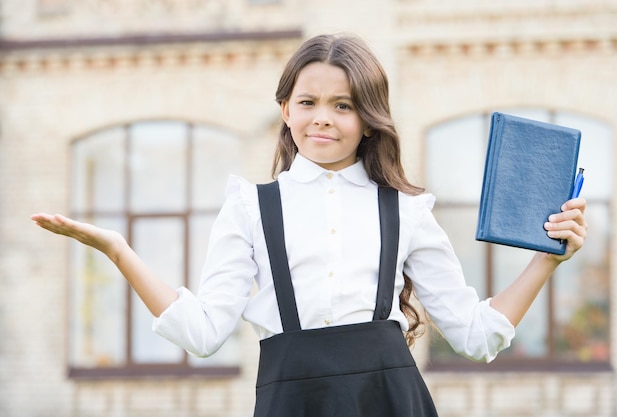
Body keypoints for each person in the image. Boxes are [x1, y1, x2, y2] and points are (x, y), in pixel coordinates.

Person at [31, 34, 588, 416]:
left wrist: (547, 258)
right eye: (309, 101)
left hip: (388, 398)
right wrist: (118, 249)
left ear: (368, 121)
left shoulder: (407, 210)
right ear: (285, 110)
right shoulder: (249, 206)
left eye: (344, 105)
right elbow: (201, 334)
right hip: (289, 400)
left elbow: (474, 336)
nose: (323, 116)